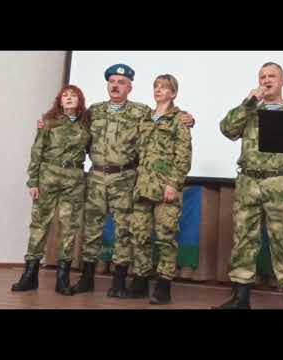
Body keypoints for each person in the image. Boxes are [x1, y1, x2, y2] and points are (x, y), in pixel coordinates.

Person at [50, 64, 195, 298]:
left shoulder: (141, 112)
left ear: (129, 87)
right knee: (92, 230)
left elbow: (165, 122)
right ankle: (87, 278)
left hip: (125, 178)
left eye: (121, 82)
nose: (115, 85)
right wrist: (47, 122)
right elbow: (70, 122)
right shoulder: (93, 111)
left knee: (125, 231)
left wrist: (188, 119)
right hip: (96, 176)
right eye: (112, 82)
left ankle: (118, 282)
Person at [217, 62, 283, 309]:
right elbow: (227, 129)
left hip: (281, 183)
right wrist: (248, 101)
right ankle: (241, 299)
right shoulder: (250, 110)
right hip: (248, 182)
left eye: (272, 76)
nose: (267, 80)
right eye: (262, 76)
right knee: (244, 240)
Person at [11, 85, 90, 296]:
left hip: (73, 181)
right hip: (48, 178)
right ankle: (29, 276)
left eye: (73, 95)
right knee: (39, 225)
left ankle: (62, 279)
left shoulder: (87, 125)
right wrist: (33, 182)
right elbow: (37, 152)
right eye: (65, 95)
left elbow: (95, 150)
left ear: (80, 100)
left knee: (69, 227)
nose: (69, 98)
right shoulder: (48, 123)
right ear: (59, 101)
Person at [126, 74, 192, 305]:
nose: (158, 90)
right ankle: (142, 279)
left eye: (164, 88)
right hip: (142, 186)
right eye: (155, 86)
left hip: (165, 188)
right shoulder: (144, 118)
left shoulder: (179, 120)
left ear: (173, 93)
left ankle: (164, 284)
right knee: (139, 235)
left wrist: (173, 184)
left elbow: (183, 156)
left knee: (165, 238)